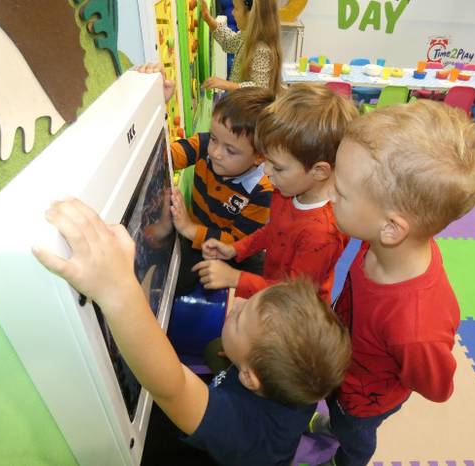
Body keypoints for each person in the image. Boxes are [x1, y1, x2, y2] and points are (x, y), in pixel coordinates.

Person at [32, 198, 352, 466]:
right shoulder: (302, 377)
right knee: (214, 350)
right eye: (248, 302)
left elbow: (173, 387)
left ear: (250, 377)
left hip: (219, 453)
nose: (237, 305)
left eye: (240, 319)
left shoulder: (243, 430)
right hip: (252, 402)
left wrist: (116, 289)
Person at [311, 99, 475, 466]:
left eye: (340, 191)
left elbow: (437, 387)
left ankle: (346, 457)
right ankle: (335, 424)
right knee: (336, 409)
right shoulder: (382, 240)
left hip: (363, 401)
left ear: (392, 227)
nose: (328, 192)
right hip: (343, 368)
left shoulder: (415, 328)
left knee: (355, 435)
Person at [194, 83, 358, 303]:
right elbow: (273, 230)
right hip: (272, 291)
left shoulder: (322, 233)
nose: (267, 172)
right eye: (267, 161)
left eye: (278, 167)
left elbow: (294, 295)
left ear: (319, 171)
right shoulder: (287, 190)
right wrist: (235, 249)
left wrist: (236, 278)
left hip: (294, 312)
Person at [137, 62, 275, 296]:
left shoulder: (263, 191)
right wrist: (157, 106)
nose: (215, 152)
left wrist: (189, 229)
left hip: (231, 251)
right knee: (170, 275)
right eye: (213, 138)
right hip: (197, 235)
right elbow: (163, 157)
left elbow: (236, 242)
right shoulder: (204, 145)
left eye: (230, 150)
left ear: (259, 156)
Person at [200, 0, 282, 93]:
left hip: (248, 102)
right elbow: (229, 42)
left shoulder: (262, 48)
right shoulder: (247, 35)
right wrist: (208, 19)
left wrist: (227, 85)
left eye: (236, 8)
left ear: (251, 15)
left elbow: (260, 89)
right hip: (239, 100)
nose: (232, 12)